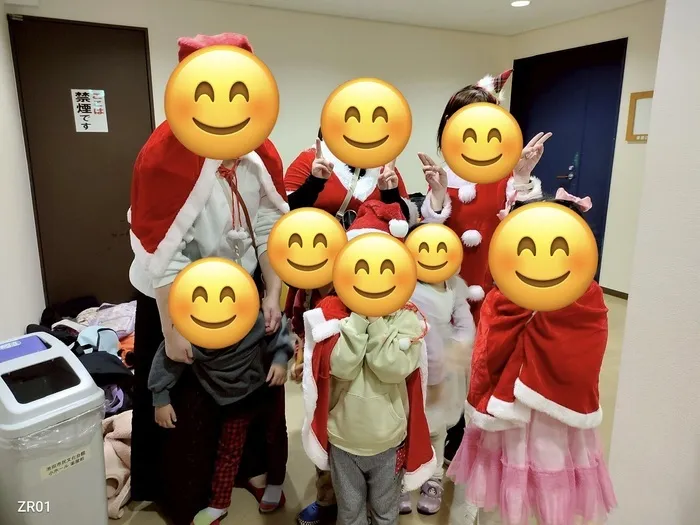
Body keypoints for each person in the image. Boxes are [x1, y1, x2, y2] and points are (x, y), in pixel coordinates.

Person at [128, 32, 289, 524]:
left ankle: (251, 468)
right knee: (187, 405)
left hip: (241, 291)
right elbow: (163, 249)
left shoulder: (260, 150)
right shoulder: (162, 155)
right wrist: (173, 328)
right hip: (172, 295)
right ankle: (188, 495)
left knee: (256, 389)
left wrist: (273, 291)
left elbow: (271, 226)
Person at [447, 195, 617, 525]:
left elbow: (584, 361)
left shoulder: (587, 299)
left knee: (549, 483)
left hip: (555, 414)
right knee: (498, 488)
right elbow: (486, 354)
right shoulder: (503, 296)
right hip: (504, 411)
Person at [418, 69, 550, 465]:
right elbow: (429, 239)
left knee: (486, 369)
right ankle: (444, 444)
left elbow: (527, 228)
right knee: (445, 371)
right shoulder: (442, 174)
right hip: (449, 293)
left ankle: (474, 449)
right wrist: (437, 197)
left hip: (495, 290)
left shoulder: (507, 175)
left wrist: (523, 177)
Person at [286, 135, 418, 525]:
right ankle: (329, 494)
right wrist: (314, 181)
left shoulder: (386, 169)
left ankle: (381, 488)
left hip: (379, 289)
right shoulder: (309, 160)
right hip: (324, 290)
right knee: (327, 388)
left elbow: (401, 226)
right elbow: (286, 218)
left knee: (376, 382)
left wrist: (391, 191)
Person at [300, 201, 435, 525]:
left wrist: (374, 320)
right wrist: (359, 317)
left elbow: (391, 368)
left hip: (388, 440)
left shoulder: (407, 318)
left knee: (385, 513)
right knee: (350, 513)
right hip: (343, 439)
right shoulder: (333, 315)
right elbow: (341, 366)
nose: (373, 278)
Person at [149, 310, 293, 524]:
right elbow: (168, 358)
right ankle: (219, 503)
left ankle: (275, 483)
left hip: (267, 389)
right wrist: (160, 398)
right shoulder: (193, 330)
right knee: (229, 451)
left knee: (275, 438)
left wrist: (280, 360)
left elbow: (279, 327)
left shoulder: (250, 315)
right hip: (233, 402)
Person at [400, 222, 476, 516]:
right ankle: (401, 479)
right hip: (408, 361)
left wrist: (456, 350)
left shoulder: (453, 285)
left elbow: (466, 324)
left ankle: (433, 479)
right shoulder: (403, 282)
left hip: (444, 364)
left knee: (436, 426)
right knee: (404, 424)